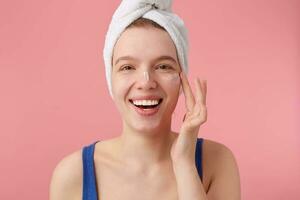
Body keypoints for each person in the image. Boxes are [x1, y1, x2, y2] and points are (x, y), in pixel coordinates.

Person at [49, 1, 241, 200]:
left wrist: (184, 164)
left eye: (163, 66)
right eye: (127, 67)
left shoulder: (217, 162)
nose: (146, 82)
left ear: (182, 78)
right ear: (110, 79)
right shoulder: (72, 175)